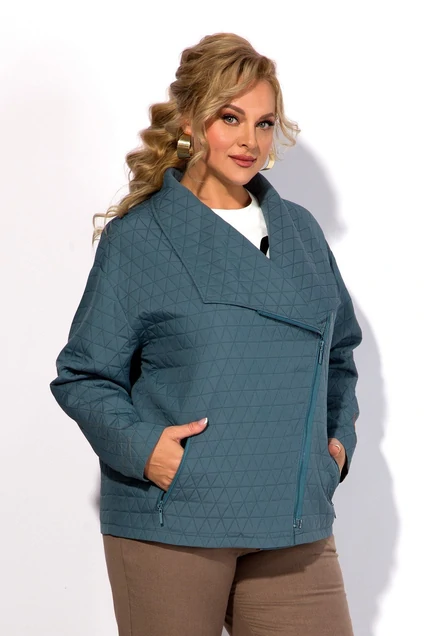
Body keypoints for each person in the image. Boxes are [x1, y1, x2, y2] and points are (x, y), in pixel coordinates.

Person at [50, 32, 362, 636]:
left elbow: (340, 352)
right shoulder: (141, 238)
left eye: (264, 123)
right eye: (231, 118)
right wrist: (149, 451)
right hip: (174, 520)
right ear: (191, 121)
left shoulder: (300, 233)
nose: (251, 141)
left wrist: (335, 444)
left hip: (294, 516)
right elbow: (83, 376)